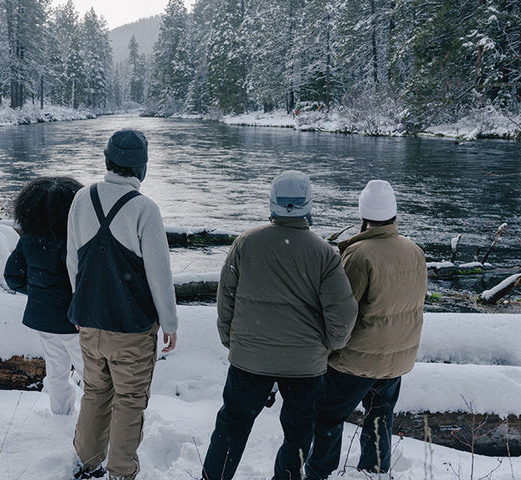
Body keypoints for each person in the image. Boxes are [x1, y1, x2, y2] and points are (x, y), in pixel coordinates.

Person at [201, 170, 358, 480]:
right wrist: (329, 344)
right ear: (308, 205)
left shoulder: (247, 242)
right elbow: (342, 314)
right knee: (299, 433)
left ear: (271, 204)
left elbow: (226, 296)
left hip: (250, 359)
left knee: (232, 424)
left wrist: (231, 339)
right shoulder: (324, 254)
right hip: (304, 365)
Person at [67, 129, 178, 480]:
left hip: (89, 323)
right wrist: (170, 324)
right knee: (129, 401)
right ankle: (120, 472)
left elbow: (74, 262)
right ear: (141, 168)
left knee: (95, 393)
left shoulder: (82, 199)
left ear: (107, 160)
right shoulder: (145, 209)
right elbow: (159, 276)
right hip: (131, 329)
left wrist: (82, 305)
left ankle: (86, 464)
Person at [305, 180, 428, 479]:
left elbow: (342, 311)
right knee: (380, 418)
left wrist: (325, 351)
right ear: (393, 213)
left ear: (363, 214)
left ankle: (319, 472)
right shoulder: (415, 252)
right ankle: (374, 472)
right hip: (396, 359)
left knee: (328, 416)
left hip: (356, 360)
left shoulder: (359, 255)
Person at [3, 176, 85, 415]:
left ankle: (60, 415)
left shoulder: (28, 240)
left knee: (57, 371)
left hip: (43, 320)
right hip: (74, 321)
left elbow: (12, 277)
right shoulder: (72, 241)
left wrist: (40, 292)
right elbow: (80, 281)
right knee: (90, 375)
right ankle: (97, 422)